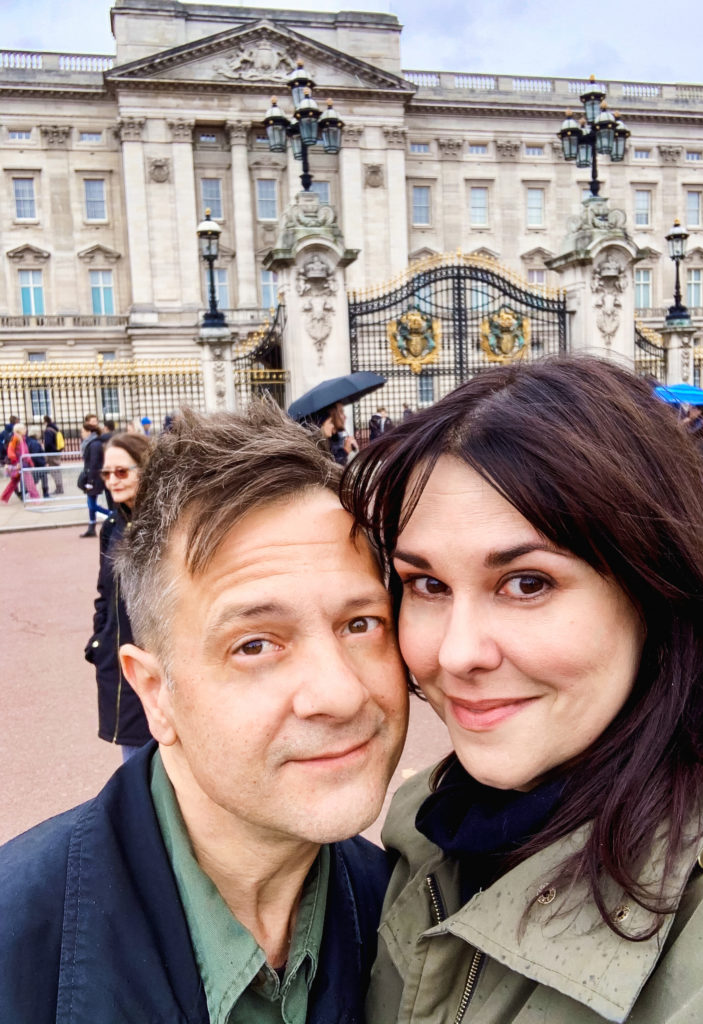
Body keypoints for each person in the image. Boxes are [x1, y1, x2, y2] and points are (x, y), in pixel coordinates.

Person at [343, 357, 703, 1024]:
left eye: (527, 583)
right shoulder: (424, 826)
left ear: (654, 590)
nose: (457, 653)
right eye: (427, 584)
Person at [0, 403, 408, 1024]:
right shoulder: (16, 938)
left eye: (361, 623)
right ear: (155, 693)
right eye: (254, 645)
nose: (341, 693)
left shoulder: (406, 912)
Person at [85, 432, 153, 761]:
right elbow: (104, 592)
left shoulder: (165, 524)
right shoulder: (112, 526)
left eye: (122, 472)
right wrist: (100, 638)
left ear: (146, 469)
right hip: (121, 657)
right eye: (106, 474)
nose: (112, 481)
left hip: (159, 657)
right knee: (134, 761)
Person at [79, 418, 109, 537]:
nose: (81, 434)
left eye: (82, 431)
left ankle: (111, 515)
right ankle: (91, 527)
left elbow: (94, 463)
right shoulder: (91, 443)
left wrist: (90, 481)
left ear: (88, 432)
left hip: (94, 479)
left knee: (92, 504)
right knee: (90, 503)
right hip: (91, 477)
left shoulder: (94, 444)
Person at [1, 423, 40, 503]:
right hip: (20, 464)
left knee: (14, 482)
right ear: (20, 430)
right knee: (29, 482)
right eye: (24, 428)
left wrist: (29, 462)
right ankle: (36, 498)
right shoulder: (16, 439)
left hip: (22, 463)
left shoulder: (22, 439)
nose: (25, 430)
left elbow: (25, 452)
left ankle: (3, 498)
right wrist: (16, 461)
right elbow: (11, 451)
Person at [42, 415, 64, 494]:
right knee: (56, 470)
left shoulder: (48, 430)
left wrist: (47, 451)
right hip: (57, 451)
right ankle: (60, 487)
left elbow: (48, 443)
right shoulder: (55, 428)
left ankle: (59, 488)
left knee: (54, 471)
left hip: (52, 453)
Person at [26, 430, 48, 497]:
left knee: (39, 478)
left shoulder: (30, 441)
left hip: (37, 463)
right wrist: (43, 462)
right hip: (39, 464)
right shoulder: (34, 443)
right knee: (40, 478)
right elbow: (35, 455)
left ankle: (45, 493)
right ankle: (45, 493)